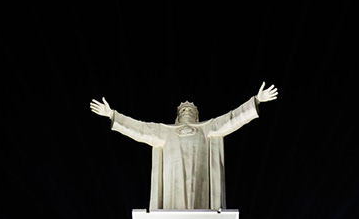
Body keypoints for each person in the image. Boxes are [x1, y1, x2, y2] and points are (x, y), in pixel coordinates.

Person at [90, 85, 279, 210]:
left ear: (197, 116)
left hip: (200, 186)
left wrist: (256, 100)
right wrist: (112, 114)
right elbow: (138, 128)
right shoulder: (165, 131)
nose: (186, 111)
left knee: (199, 206)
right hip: (172, 189)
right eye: (182, 110)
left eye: (190, 110)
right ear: (177, 116)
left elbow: (232, 118)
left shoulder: (207, 128)